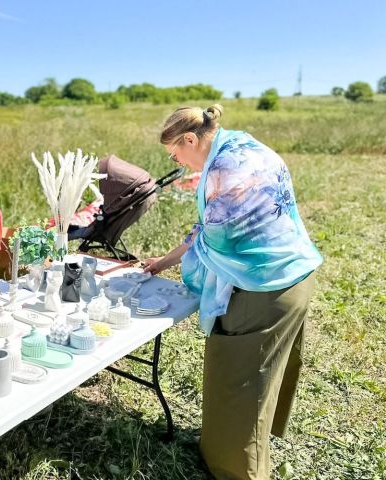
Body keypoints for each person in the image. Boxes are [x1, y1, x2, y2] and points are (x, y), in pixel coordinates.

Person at [143, 104, 322, 480]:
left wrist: (183, 268)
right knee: (262, 378)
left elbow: (213, 242)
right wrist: (165, 260)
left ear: (190, 139)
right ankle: (243, 446)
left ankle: (237, 470)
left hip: (263, 289)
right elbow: (205, 228)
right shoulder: (242, 145)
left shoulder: (226, 169)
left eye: (176, 154)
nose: (179, 162)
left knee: (240, 383)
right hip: (293, 275)